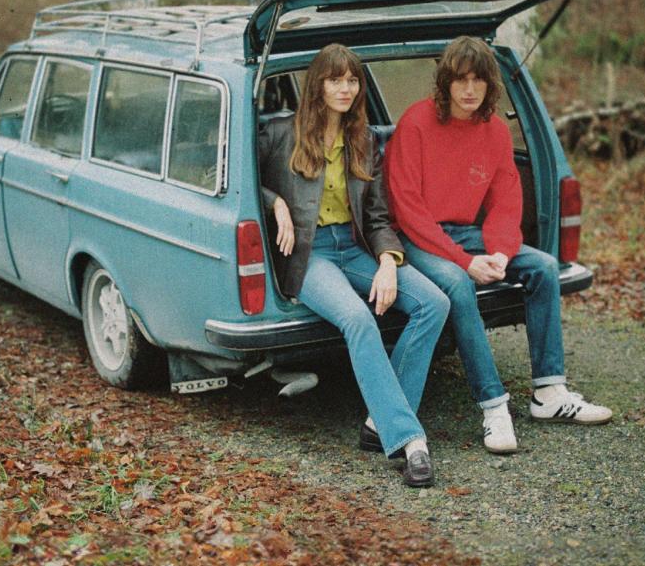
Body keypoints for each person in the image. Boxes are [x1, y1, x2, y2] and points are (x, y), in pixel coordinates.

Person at [383, 35, 612, 455]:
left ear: (490, 86)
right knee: (456, 283)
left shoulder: (494, 132)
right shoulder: (416, 123)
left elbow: (506, 199)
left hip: (467, 234)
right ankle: (493, 406)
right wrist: (466, 262)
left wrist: (502, 253)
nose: (469, 90)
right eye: (460, 80)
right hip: (418, 237)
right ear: (446, 83)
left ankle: (549, 391)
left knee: (542, 266)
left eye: (479, 81)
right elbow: (408, 208)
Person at [259, 43, 449, 487]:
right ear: (318, 84)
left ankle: (379, 422)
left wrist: (387, 260)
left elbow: (378, 215)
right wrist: (277, 205)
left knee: (434, 304)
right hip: (310, 255)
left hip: (355, 247)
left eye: (352, 80)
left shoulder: (363, 140)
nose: (345, 89)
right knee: (357, 319)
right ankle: (410, 442)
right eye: (335, 79)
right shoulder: (281, 133)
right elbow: (239, 181)